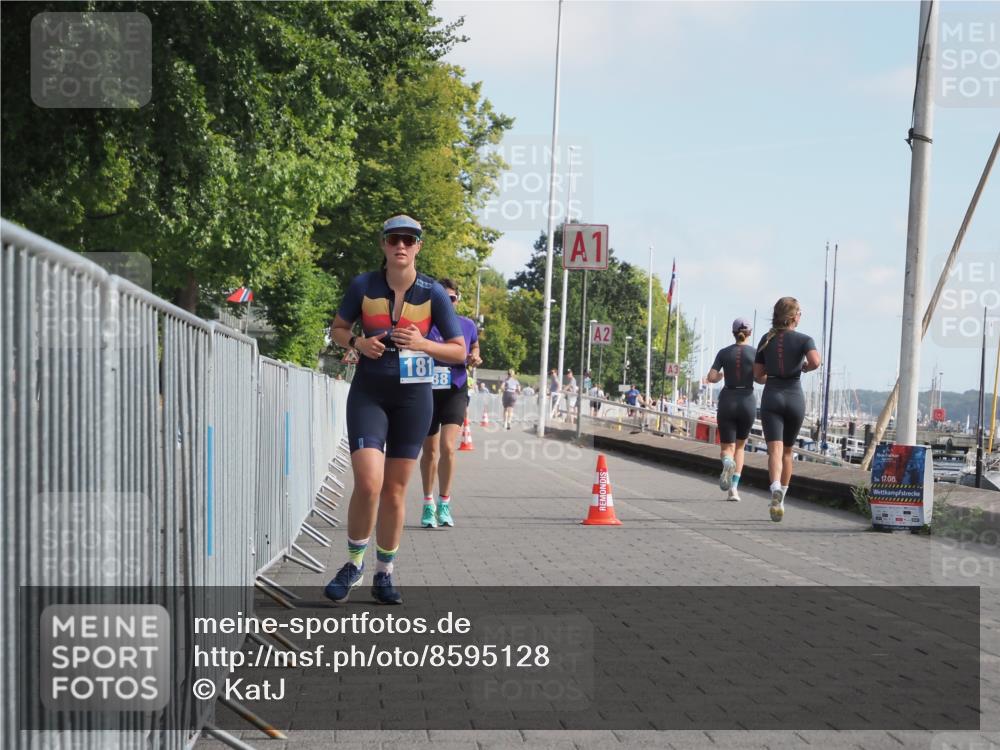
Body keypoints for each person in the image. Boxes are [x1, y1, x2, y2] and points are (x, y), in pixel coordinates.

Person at [325, 215, 466, 605]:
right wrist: (355, 341)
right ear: (383, 244)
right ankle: (353, 563)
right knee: (368, 483)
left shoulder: (433, 292)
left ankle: (383, 573)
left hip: (412, 399)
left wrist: (423, 344)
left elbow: (458, 350)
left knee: (394, 492)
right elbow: (336, 328)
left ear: (419, 245)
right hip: (369, 393)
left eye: (409, 239)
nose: (400, 246)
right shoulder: (363, 285)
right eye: (393, 239)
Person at [419, 278, 481, 530]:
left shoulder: (466, 325)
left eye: (451, 298)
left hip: (455, 388)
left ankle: (445, 502)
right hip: (427, 390)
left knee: (448, 447)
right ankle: (427, 503)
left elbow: (474, 344)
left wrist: (475, 355)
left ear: (457, 300)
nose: (447, 303)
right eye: (441, 298)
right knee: (430, 451)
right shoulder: (424, 326)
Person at [753, 297, 822, 522]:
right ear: (793, 317)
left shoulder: (766, 339)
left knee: (774, 450)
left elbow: (758, 376)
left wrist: (772, 373)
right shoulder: (805, 339)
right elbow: (815, 362)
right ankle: (781, 498)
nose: (801, 317)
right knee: (788, 453)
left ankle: (774, 488)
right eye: (800, 313)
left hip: (772, 396)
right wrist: (803, 367)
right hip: (794, 398)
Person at [705, 318, 757, 502]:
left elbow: (711, 377)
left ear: (733, 332)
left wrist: (720, 375)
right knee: (741, 446)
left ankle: (727, 462)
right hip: (747, 401)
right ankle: (734, 489)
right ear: (749, 333)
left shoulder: (724, 352)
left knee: (728, 447)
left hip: (728, 400)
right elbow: (761, 378)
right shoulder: (755, 353)